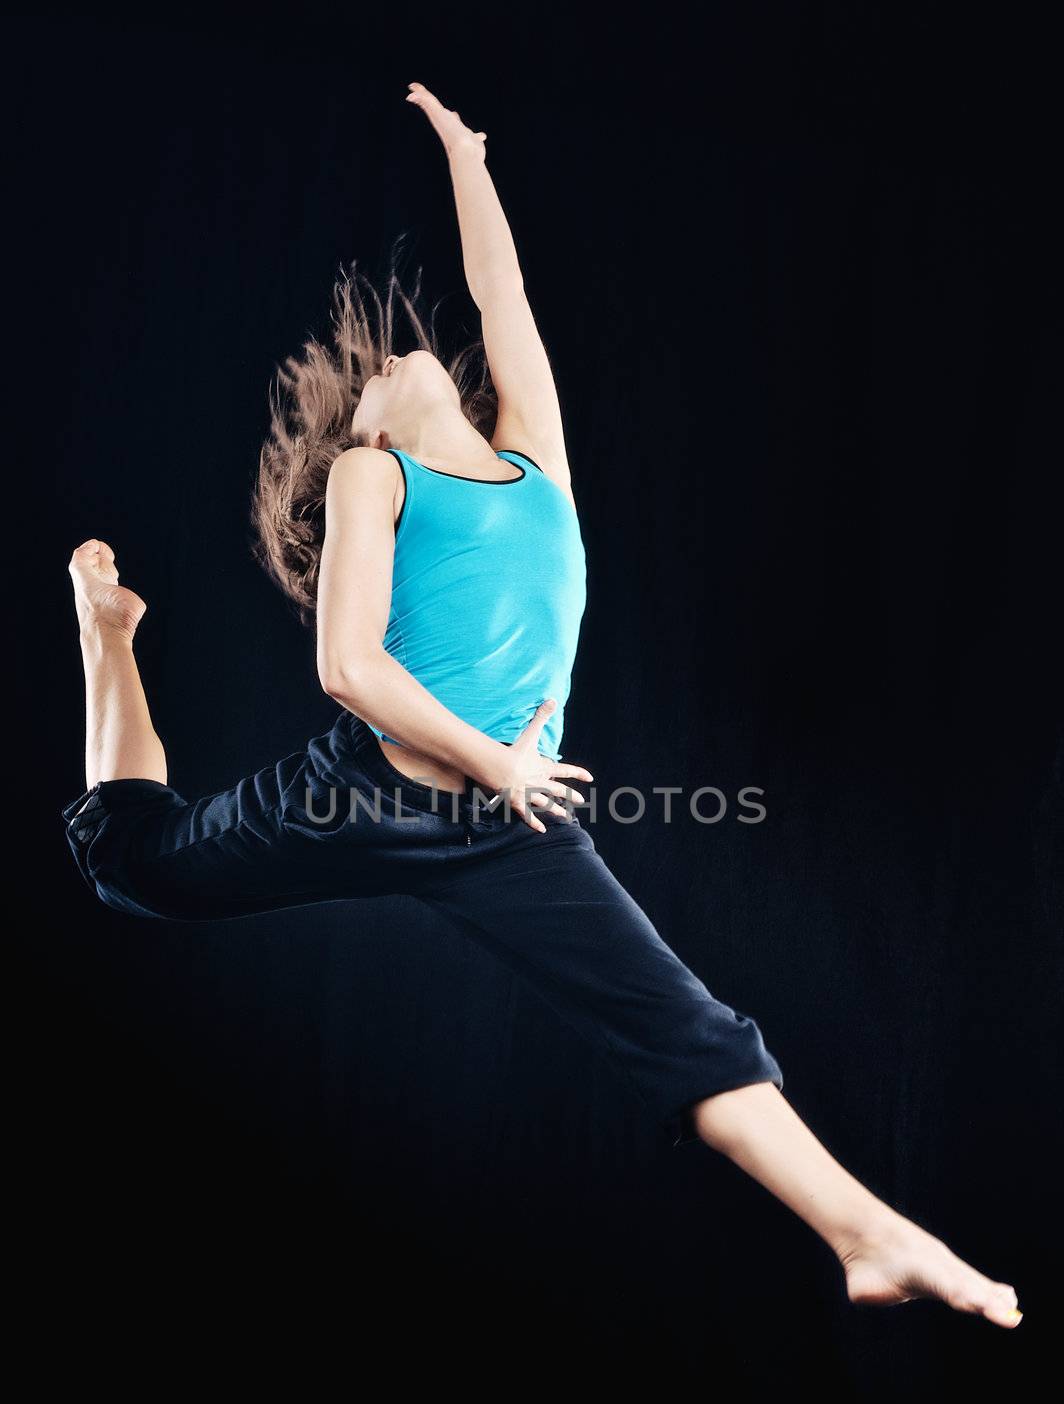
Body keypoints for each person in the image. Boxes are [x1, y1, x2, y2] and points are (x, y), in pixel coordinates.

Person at [63, 82, 1021, 1330]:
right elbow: (348, 668)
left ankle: (871, 1235)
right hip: (371, 790)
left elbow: (500, 293)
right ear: (363, 425)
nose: (400, 357)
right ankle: (107, 636)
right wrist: (502, 767)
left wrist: (466, 161)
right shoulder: (370, 470)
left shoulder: (535, 460)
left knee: (689, 1027)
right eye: (373, 380)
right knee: (135, 862)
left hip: (506, 821)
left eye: (414, 354)